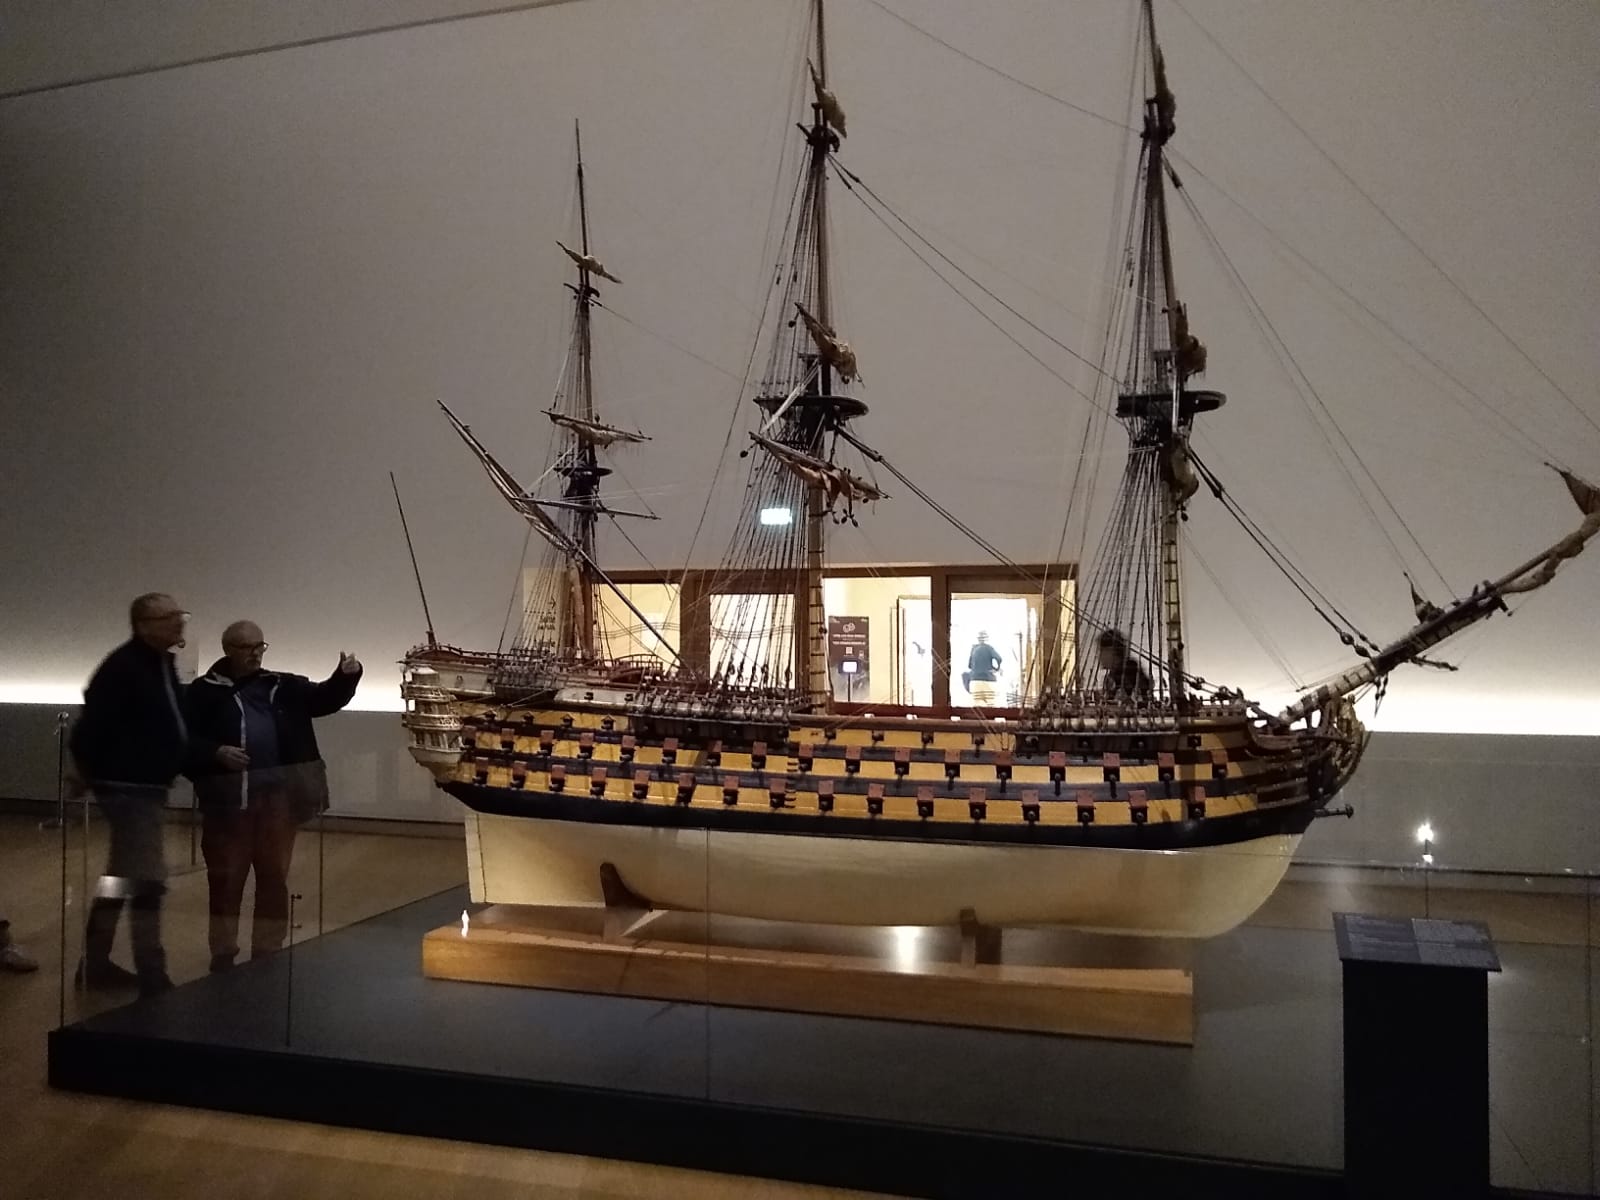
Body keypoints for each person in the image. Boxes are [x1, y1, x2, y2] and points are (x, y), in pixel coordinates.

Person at [184, 622, 361, 972]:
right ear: (228, 650)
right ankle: (223, 953)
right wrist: (214, 752)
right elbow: (182, 739)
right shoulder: (202, 692)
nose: (255, 653)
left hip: (278, 801)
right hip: (228, 805)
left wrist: (345, 676)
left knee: (274, 879)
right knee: (226, 881)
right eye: (246, 647)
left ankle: (268, 951)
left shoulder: (282, 684)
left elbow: (323, 698)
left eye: (260, 646)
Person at [68, 592, 193, 995]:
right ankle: (153, 977)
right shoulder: (124, 667)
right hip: (130, 790)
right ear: (143, 625)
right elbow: (90, 728)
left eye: (180, 614)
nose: (179, 621)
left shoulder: (158, 663)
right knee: (147, 879)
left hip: (143, 787)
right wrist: (89, 773)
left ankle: (95, 964)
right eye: (169, 616)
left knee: (121, 879)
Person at [1096, 628, 1153, 700]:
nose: (1098, 656)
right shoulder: (1115, 673)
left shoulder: (1128, 671)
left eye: (1101, 651)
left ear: (1111, 651)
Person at [964, 631, 1003, 706]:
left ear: (978, 639)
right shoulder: (989, 648)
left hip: (975, 681)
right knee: (990, 704)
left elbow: (970, 666)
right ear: (987, 639)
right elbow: (999, 658)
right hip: (988, 680)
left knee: (978, 705)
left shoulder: (973, 649)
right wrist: (997, 669)